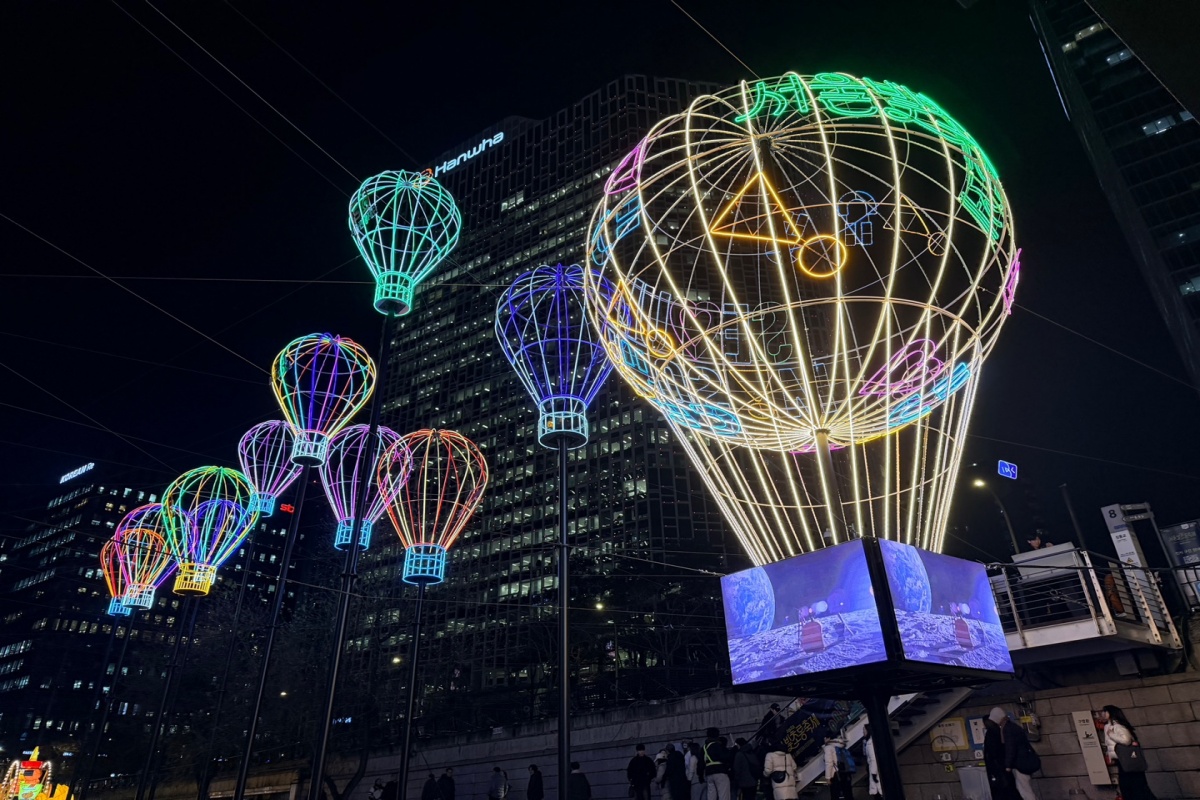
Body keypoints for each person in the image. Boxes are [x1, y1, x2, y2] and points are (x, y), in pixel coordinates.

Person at [1101, 705, 1157, 800]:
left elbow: (1126, 740)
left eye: (1105, 711)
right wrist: (1111, 756)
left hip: (1127, 760)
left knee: (1134, 786)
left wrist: (1111, 735)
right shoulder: (1108, 726)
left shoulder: (1118, 726)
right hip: (1121, 760)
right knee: (1131, 786)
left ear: (1111, 713)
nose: (1103, 714)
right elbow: (1110, 745)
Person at [989, 707, 1038, 800]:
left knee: (1024, 789)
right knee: (1025, 787)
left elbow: (1010, 747)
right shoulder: (1013, 726)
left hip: (1021, 763)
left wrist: (1008, 765)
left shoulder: (1007, 729)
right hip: (1024, 762)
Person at [703, 727, 734, 800]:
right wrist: (733, 750)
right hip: (720, 772)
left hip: (709, 773)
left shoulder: (704, 747)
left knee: (711, 796)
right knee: (723, 795)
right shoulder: (717, 746)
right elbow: (725, 757)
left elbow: (701, 763)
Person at [822, 730, 853, 800]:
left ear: (828, 738)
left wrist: (828, 778)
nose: (824, 740)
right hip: (845, 770)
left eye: (825, 738)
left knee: (835, 794)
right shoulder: (840, 744)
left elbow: (829, 763)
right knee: (847, 792)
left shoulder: (828, 747)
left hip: (835, 773)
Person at [862, 725, 881, 799]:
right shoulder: (869, 742)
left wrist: (873, 773)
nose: (863, 732)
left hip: (874, 770)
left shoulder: (870, 744)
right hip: (874, 769)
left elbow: (873, 759)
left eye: (864, 730)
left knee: (877, 791)